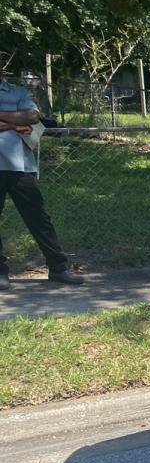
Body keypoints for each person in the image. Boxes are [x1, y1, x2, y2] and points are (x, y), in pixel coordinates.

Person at [0, 52, 83, 289]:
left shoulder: (17, 92)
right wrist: (15, 123)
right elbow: (24, 120)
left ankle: (58, 268)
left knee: (39, 219)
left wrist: (12, 120)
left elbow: (33, 116)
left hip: (20, 167)